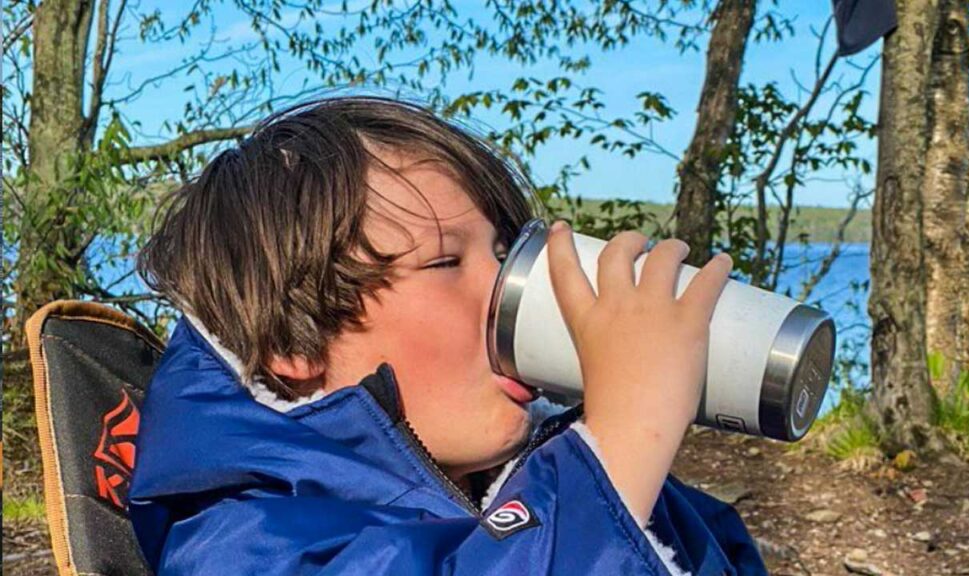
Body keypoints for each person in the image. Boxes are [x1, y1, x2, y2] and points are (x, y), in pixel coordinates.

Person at [128, 95, 768, 575]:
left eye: (505, 254)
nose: (507, 292)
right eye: (445, 262)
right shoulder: (244, 542)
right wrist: (628, 440)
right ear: (295, 346)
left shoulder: (524, 476)